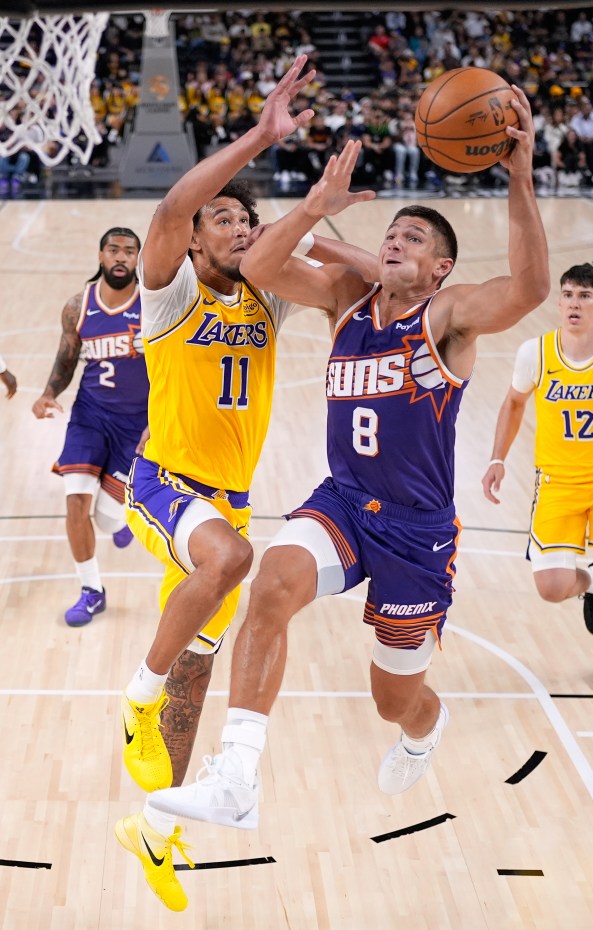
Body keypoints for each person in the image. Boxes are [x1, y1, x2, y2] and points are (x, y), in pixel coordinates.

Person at [146, 88, 548, 848]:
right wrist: (317, 212)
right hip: (342, 501)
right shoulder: (344, 301)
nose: (395, 241)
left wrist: (520, 179)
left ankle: (425, 729)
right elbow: (264, 262)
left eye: (413, 238)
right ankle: (236, 779)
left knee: (393, 700)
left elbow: (527, 292)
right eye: (389, 233)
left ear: (441, 266)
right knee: (267, 583)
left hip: (417, 535)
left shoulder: (449, 318)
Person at [113, 56, 380, 913]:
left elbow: (359, 287)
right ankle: (133, 699)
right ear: (195, 238)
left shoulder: (268, 300)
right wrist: (262, 136)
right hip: (161, 484)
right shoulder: (170, 293)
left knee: (202, 666)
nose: (232, 227)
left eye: (242, 220)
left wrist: (331, 228)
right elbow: (168, 208)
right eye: (219, 219)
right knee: (234, 561)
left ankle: (158, 826)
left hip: (218, 504)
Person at [481, 262, 593, 693]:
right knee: (552, 587)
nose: (574, 303)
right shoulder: (535, 352)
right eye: (567, 295)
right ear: (559, 302)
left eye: (583, 296)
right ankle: (592, 584)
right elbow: (514, 402)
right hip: (557, 482)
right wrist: (496, 459)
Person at [32, 227, 148, 626]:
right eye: (113, 250)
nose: (121, 257)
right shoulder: (78, 305)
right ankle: (92, 590)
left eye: (129, 251)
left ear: (138, 259)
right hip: (90, 415)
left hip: (138, 426)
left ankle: (122, 519)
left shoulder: (152, 305)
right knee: (75, 501)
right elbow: (66, 359)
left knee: (107, 518)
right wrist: (49, 392)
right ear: (100, 256)